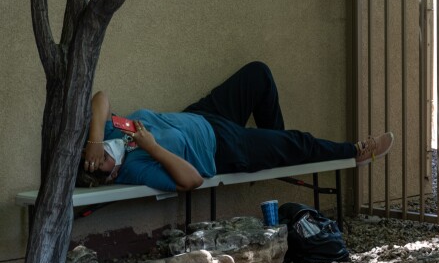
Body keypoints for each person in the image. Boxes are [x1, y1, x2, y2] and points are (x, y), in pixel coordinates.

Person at [78, 61, 393, 192]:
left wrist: (95, 139)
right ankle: (355, 152)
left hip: (202, 116)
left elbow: (100, 98)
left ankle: (277, 151)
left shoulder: (108, 135)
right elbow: (191, 181)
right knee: (297, 142)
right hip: (219, 148)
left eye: (97, 153)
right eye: (100, 162)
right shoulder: (134, 168)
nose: (103, 154)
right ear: (112, 174)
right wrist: (153, 149)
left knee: (258, 74)